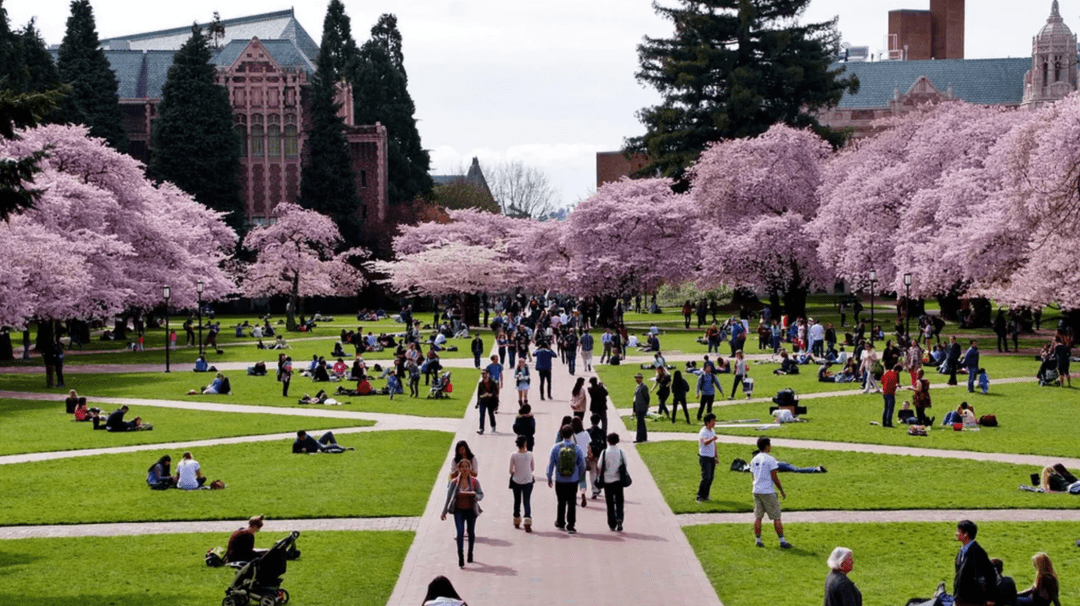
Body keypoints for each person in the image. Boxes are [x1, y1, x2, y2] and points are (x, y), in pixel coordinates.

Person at [441, 459, 484, 568]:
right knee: (460, 532)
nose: (465, 469)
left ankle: (470, 552)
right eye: (462, 467)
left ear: (470, 469)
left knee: (471, 532)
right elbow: (449, 497)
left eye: (467, 467)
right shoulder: (454, 482)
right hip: (459, 510)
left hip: (471, 510)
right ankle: (460, 555)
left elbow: (481, 494)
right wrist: (444, 511)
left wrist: (475, 495)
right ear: (459, 469)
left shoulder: (474, 482)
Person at [751, 437, 792, 549]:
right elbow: (774, 476)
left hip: (756, 490)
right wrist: (781, 489)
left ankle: (758, 540)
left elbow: (753, 475)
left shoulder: (754, 459)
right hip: (767, 491)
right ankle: (782, 541)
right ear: (767, 446)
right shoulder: (770, 460)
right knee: (776, 517)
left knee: (758, 517)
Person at [547, 424, 586, 534]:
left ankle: (560, 521)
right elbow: (582, 464)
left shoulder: (556, 447)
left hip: (560, 479)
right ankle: (571, 524)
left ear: (561, 434)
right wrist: (578, 475)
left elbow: (551, 464)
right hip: (573, 480)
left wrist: (549, 477)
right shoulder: (577, 448)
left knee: (561, 501)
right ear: (572, 434)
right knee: (572, 501)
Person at [953, 519, 998, 606]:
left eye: (959, 531)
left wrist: (991, 598)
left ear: (966, 534)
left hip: (973, 600)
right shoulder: (961, 551)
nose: (956, 534)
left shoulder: (978, 552)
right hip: (961, 600)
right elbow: (958, 576)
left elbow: (990, 575)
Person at [597, 432, 627, 532]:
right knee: (619, 501)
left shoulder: (605, 452)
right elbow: (625, 464)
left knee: (610, 503)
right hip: (618, 480)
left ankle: (612, 523)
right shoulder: (621, 452)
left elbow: (599, 465)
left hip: (608, 481)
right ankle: (619, 519)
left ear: (608, 441)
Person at [509, 435, 535, 532]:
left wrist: (516, 472)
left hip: (516, 481)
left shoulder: (513, 455)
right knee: (526, 500)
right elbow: (532, 468)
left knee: (517, 500)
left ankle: (516, 519)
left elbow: (510, 470)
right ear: (525, 444)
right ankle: (527, 520)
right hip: (528, 480)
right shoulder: (530, 454)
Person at [697, 414, 719, 503]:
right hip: (704, 457)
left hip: (711, 457)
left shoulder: (712, 431)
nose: (714, 423)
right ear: (707, 422)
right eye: (712, 421)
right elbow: (704, 442)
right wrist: (712, 438)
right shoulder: (703, 432)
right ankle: (699, 495)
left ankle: (706, 495)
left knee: (711, 477)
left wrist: (716, 456)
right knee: (706, 477)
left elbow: (714, 445)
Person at [476, 370, 498, 435]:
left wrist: (491, 394)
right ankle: (481, 428)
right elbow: (478, 394)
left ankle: (493, 425)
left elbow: (496, 391)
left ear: (488, 374)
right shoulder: (480, 384)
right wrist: (478, 402)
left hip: (490, 401)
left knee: (491, 414)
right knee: (481, 415)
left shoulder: (492, 382)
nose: (483, 375)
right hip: (483, 401)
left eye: (484, 373)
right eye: (482, 374)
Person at [880, 364, 900, 428]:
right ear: (897, 370)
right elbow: (893, 385)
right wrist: (897, 386)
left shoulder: (887, 372)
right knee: (890, 409)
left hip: (884, 392)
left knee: (885, 408)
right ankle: (889, 422)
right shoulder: (894, 375)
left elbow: (882, 381)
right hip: (890, 393)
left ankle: (884, 422)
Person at [633, 372, 650, 443]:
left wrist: (646, 405)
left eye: (638, 378)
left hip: (641, 407)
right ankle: (644, 437)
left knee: (640, 423)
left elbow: (647, 397)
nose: (637, 379)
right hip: (638, 407)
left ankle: (639, 438)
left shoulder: (643, 387)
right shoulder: (638, 387)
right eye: (636, 378)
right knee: (641, 423)